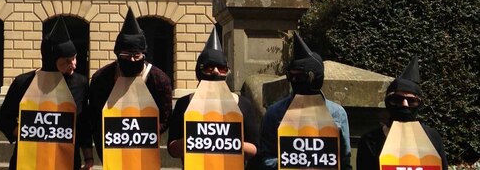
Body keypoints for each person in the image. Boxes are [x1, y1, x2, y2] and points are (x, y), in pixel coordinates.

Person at [0, 18, 95, 170]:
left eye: (74, 58)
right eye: (66, 62)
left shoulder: (80, 83)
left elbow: (83, 125)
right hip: (28, 160)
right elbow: (3, 118)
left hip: (66, 160)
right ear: (51, 61)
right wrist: (21, 131)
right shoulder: (23, 83)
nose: (73, 65)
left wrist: (89, 157)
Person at [88, 8, 173, 162]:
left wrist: (144, 135)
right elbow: (94, 117)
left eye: (136, 56)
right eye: (126, 56)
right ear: (118, 55)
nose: (132, 61)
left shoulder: (160, 80)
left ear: (143, 55)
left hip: (145, 149)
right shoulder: (101, 79)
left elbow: (165, 118)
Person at [167, 25, 259, 165]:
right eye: (210, 67)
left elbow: (253, 148)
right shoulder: (184, 103)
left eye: (221, 68)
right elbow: (172, 149)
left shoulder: (243, 104)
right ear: (199, 70)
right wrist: (197, 140)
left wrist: (223, 141)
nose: (216, 71)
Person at [258, 33, 352, 170]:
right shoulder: (274, 113)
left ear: (315, 77)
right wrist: (292, 165)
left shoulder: (337, 113)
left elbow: (344, 161)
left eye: (300, 76)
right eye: (291, 76)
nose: (295, 81)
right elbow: (265, 158)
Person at [356, 57, 447, 170]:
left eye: (411, 101)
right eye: (398, 99)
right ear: (388, 102)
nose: (405, 104)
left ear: (419, 104)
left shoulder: (432, 137)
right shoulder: (370, 140)